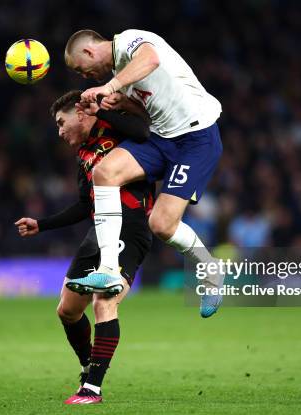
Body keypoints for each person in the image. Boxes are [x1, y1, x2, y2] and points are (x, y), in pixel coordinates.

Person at [64, 29, 225, 317]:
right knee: (105, 173)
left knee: (162, 224)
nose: (84, 77)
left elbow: (150, 58)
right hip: (163, 138)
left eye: (81, 69)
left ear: (89, 52)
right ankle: (109, 269)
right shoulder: (119, 79)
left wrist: (111, 88)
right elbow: (147, 117)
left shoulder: (129, 41)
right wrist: (123, 104)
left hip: (196, 138)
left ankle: (210, 269)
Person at [15, 90, 153, 405]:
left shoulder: (117, 131)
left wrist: (100, 112)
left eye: (62, 123)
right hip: (98, 232)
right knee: (66, 310)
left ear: (80, 114)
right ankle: (87, 366)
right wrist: (42, 224)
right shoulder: (85, 154)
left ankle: (92, 388)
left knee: (103, 302)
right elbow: (83, 204)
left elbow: (143, 132)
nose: (60, 131)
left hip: (129, 227)